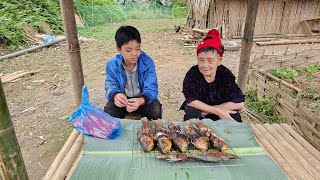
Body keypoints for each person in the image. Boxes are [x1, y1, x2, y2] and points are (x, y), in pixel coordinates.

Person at [180, 29, 244, 122]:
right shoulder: (192, 74)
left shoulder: (225, 75)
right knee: (192, 114)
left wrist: (212, 110)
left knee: (235, 118)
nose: (205, 65)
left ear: (219, 60)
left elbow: (239, 103)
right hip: (199, 112)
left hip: (212, 111)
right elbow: (191, 101)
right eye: (201, 60)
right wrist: (216, 111)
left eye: (210, 60)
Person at [104, 25, 162, 120]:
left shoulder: (147, 63)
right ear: (119, 50)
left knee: (155, 110)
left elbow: (152, 88)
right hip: (123, 101)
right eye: (128, 50)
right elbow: (110, 85)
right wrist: (116, 95)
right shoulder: (112, 65)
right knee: (110, 111)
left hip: (142, 99)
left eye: (138, 49)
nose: (134, 54)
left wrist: (141, 100)